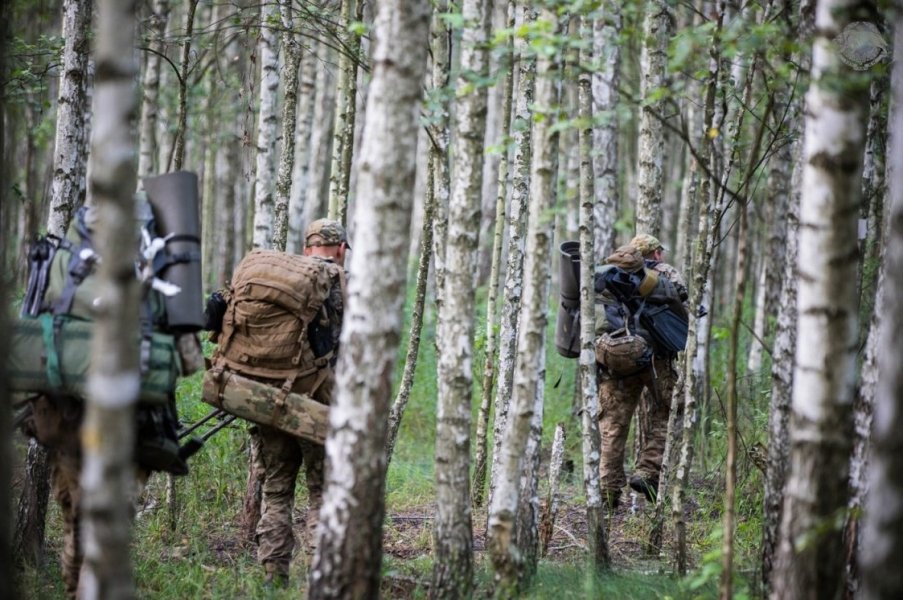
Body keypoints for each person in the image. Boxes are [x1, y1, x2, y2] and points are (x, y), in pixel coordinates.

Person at [253, 218, 349, 586]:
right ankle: (320, 576)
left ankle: (272, 576)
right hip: (319, 405)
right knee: (322, 491)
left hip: (270, 398)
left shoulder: (284, 280)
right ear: (339, 249)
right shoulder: (344, 284)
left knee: (276, 489)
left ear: (307, 248)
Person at [595, 239, 686, 509]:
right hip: (655, 358)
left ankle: (608, 490)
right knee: (668, 410)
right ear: (654, 253)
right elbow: (683, 298)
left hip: (614, 358)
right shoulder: (664, 274)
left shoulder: (603, 276)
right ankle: (648, 471)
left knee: (612, 425)